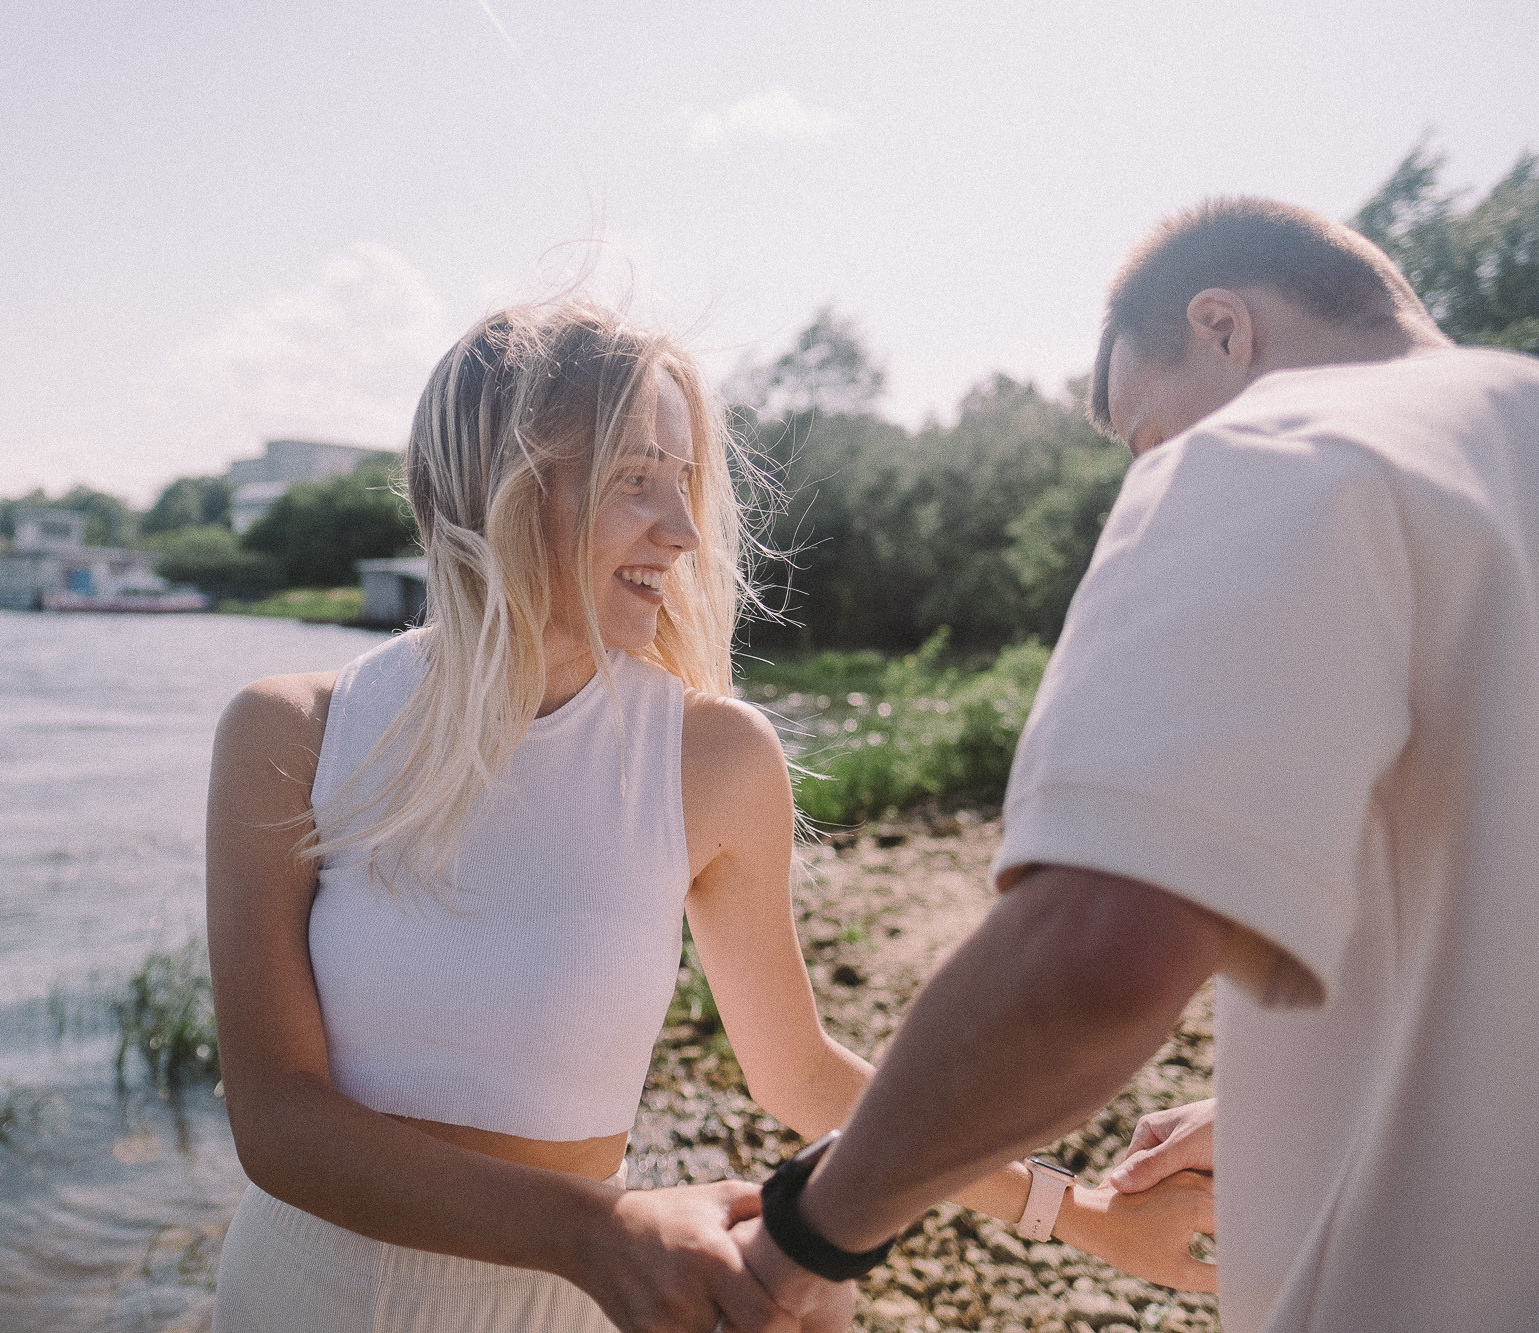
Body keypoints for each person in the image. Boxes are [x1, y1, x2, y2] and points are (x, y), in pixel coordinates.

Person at [204, 300, 1211, 1332]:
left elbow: (800, 1071)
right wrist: (605, 1228)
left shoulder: (709, 758)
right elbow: (277, 1120)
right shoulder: (288, 733)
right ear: (498, 483)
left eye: (681, 484)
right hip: (297, 1294)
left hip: (562, 1308)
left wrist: (1078, 1212)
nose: (682, 533)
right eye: (635, 479)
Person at [732, 197, 1539, 1333]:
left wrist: (801, 1238)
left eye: (1141, 440)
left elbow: (1092, 955)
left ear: (1221, 327)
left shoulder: (1282, 449)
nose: (1142, 479)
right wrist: (1296, 1108)